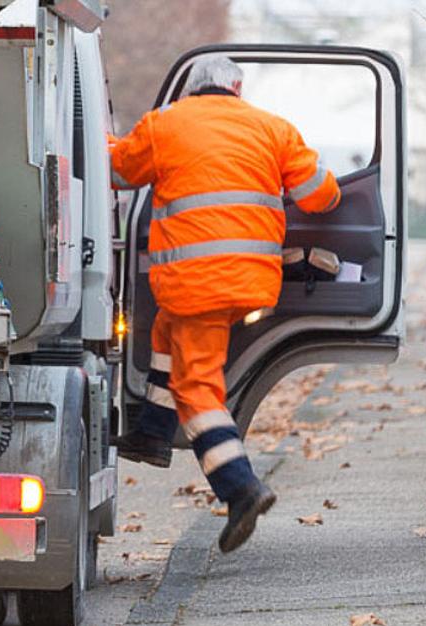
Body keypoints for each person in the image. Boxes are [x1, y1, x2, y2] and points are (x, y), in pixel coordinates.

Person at [109, 56, 341, 553]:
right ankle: (151, 432)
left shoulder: (164, 124)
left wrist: (92, 136)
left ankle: (240, 489)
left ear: (191, 88)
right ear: (236, 87)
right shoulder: (273, 128)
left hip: (196, 283)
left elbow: (119, 170)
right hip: (253, 283)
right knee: (165, 334)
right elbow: (322, 196)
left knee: (197, 386)